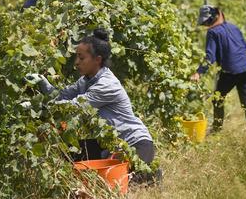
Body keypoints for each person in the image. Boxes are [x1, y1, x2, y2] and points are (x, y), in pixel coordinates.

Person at [29, 28, 156, 166]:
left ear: (97, 60)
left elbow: (74, 107)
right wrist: (43, 82)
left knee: (123, 181)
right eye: (77, 56)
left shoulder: (106, 85)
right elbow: (61, 96)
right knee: (67, 155)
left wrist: (35, 106)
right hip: (110, 145)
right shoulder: (85, 80)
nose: (76, 62)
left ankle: (152, 176)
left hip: (136, 145)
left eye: (81, 58)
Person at [191, 5, 246, 133]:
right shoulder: (233, 27)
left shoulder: (213, 32)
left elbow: (210, 57)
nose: (205, 25)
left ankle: (216, 129)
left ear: (211, 19)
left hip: (231, 72)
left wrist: (199, 73)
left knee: (218, 99)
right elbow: (245, 47)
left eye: (206, 22)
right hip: (245, 69)